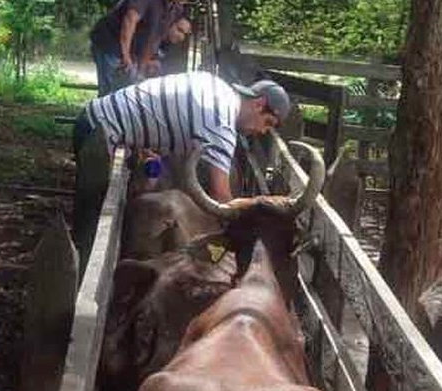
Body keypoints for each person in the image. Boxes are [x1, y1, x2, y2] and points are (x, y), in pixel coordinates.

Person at [72, 72, 291, 264]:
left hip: (97, 120)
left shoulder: (215, 86)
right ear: (259, 104)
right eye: (268, 123)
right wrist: (240, 238)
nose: (263, 131)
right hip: (100, 137)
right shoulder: (220, 122)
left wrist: (152, 170)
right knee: (91, 231)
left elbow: (157, 129)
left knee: (88, 216)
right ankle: (74, 295)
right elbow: (222, 199)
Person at [89, 0, 198, 96]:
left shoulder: (175, 9)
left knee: (128, 93)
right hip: (109, 43)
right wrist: (125, 56)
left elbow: (153, 39)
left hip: (131, 51)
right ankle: (96, 115)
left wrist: (141, 68)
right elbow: (129, 21)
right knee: (109, 95)